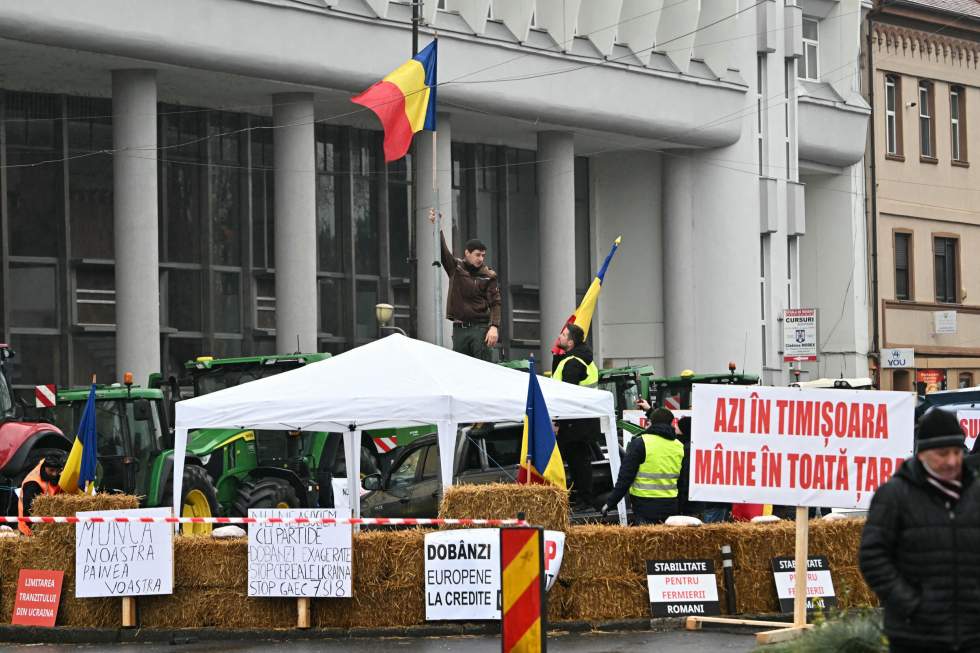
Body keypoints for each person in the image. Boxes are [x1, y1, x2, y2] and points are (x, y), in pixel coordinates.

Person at [859, 408, 980, 652]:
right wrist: (912, 604)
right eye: (943, 454)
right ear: (923, 454)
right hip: (915, 635)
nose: (952, 461)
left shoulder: (975, 492)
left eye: (957, 452)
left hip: (972, 633)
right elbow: (873, 557)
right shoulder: (895, 495)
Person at [432, 210, 501, 361]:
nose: (481, 258)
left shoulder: (489, 275)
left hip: (480, 329)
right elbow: (443, 253)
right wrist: (437, 227)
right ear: (467, 253)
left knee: (483, 370)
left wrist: (494, 327)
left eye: (483, 255)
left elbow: (495, 303)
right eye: (477, 254)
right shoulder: (456, 268)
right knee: (459, 373)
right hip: (459, 329)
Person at [601, 407, 684, 525]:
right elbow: (683, 481)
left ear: (651, 422)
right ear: (671, 423)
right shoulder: (679, 446)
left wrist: (610, 503)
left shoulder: (640, 443)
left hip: (644, 507)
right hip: (670, 506)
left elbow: (625, 477)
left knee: (647, 542)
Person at [552, 323, 600, 509]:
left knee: (577, 464)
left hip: (574, 422)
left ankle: (582, 500)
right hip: (582, 421)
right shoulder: (582, 359)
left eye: (563, 335)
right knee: (579, 463)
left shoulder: (573, 363)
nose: (560, 336)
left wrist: (557, 421)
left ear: (571, 342)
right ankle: (582, 499)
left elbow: (565, 396)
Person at [18, 451, 66, 536]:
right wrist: (38, 532)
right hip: (29, 530)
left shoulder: (54, 473)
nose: (55, 474)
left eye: (57, 470)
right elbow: (29, 511)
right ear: (44, 466)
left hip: (50, 528)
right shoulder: (32, 483)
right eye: (51, 470)